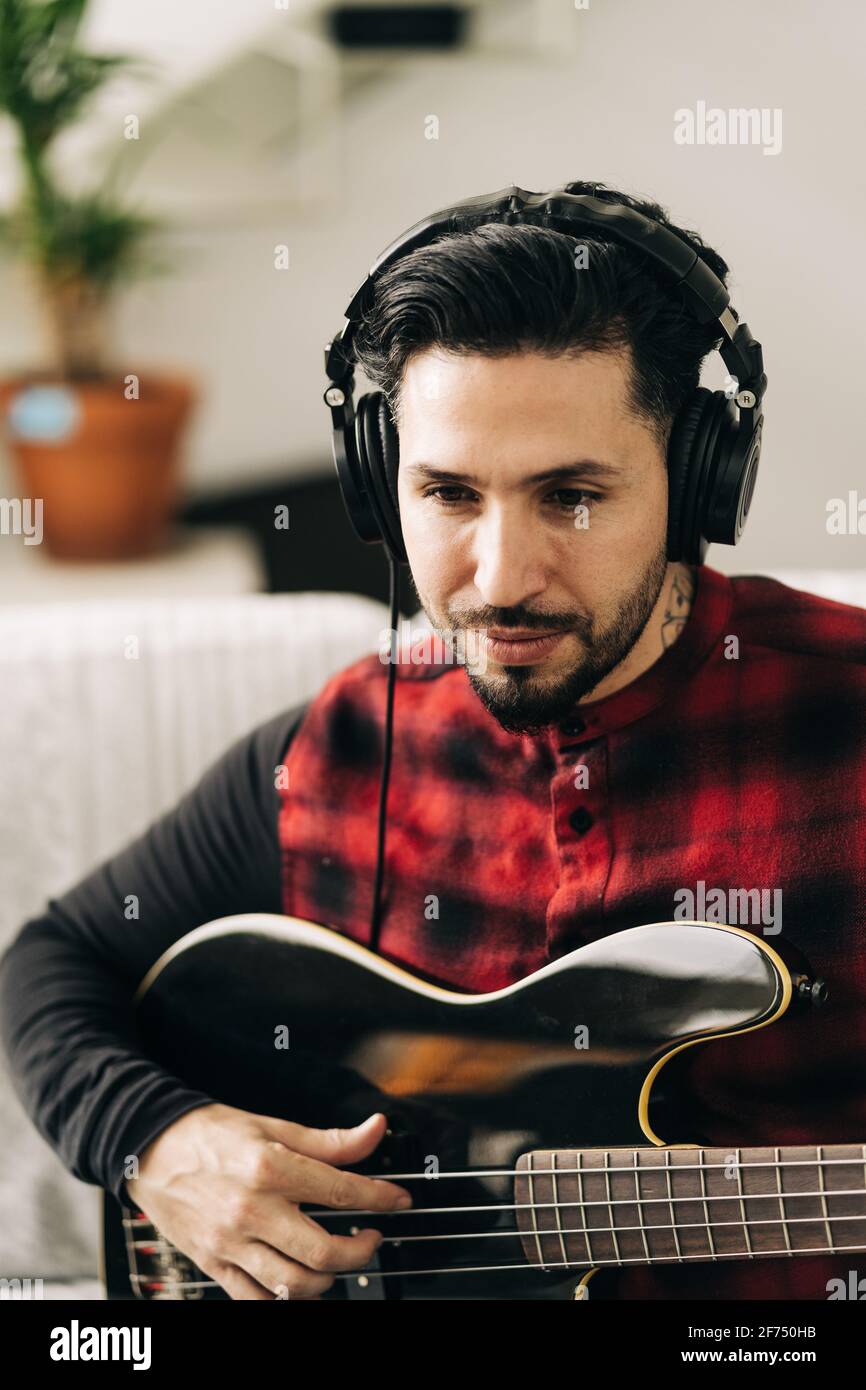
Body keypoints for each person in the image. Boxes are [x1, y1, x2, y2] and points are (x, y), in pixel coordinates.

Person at [2, 181, 864, 1302]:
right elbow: (55, 962)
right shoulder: (344, 745)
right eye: (448, 492)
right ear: (376, 482)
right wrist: (160, 1140)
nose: (499, 577)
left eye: (571, 496)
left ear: (694, 476)